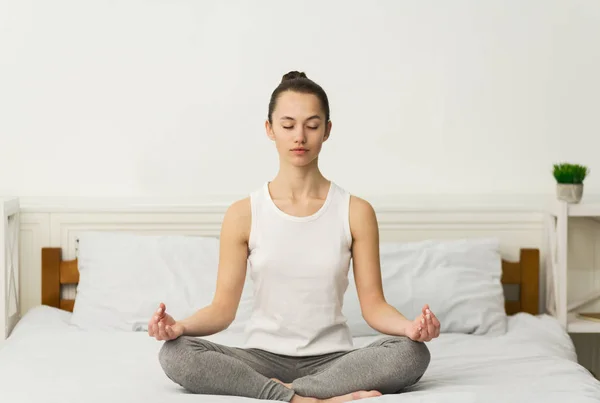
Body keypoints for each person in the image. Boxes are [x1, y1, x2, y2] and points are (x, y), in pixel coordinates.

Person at [149, 71, 439, 403]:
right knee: (176, 353)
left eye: (312, 125)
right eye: (287, 126)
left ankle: (281, 394)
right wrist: (179, 328)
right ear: (269, 129)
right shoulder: (243, 213)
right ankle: (307, 399)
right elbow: (222, 310)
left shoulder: (356, 211)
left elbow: (374, 307)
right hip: (261, 358)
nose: (299, 136)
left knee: (412, 354)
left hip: (334, 360)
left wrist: (409, 329)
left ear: (327, 130)